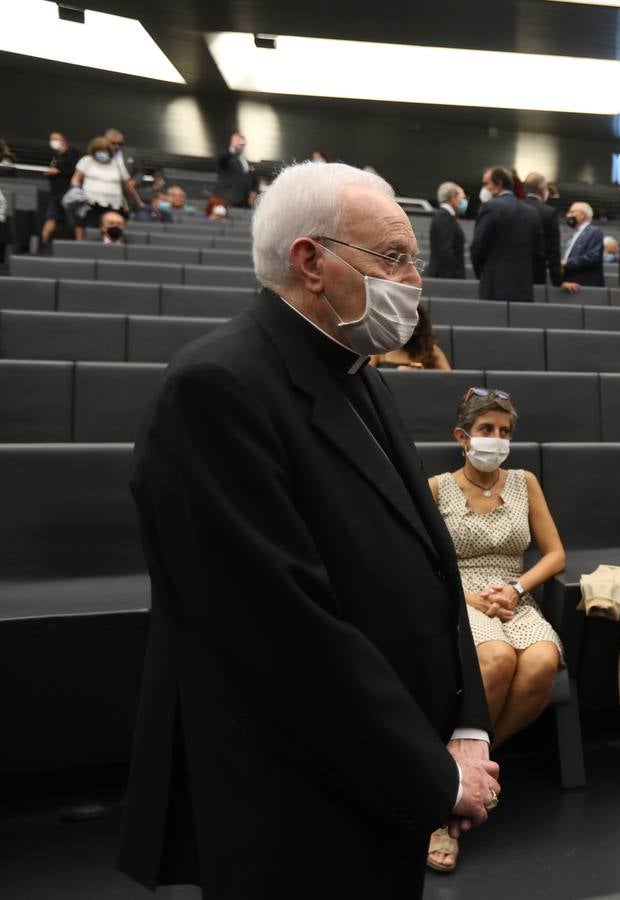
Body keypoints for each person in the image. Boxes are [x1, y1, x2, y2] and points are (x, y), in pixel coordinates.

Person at [118, 161, 500, 899]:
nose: (414, 280)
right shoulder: (216, 388)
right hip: (293, 800)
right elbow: (280, 631)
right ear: (311, 262)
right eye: (393, 257)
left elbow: (428, 558)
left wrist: (467, 721)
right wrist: (437, 774)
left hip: (380, 776)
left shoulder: (357, 368)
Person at [424, 388, 565, 870]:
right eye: (487, 430)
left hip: (513, 596)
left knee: (543, 661)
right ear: (462, 436)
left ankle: (460, 777)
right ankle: (449, 804)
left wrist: (516, 590)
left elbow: (554, 555)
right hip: (459, 597)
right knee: (500, 658)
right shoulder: (437, 487)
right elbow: (422, 561)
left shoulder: (525, 481)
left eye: (504, 432)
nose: (497, 440)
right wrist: (471, 597)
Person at [471, 166, 543, 303]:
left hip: (493, 285)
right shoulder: (532, 212)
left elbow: (478, 248)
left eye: (486, 184)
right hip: (524, 286)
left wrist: (483, 274)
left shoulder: (489, 207)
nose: (484, 188)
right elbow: (539, 254)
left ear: (498, 184)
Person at [70, 136, 142, 241]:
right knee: (87, 228)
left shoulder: (117, 164)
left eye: (105, 151)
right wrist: (77, 191)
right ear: (93, 151)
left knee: (109, 230)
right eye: (99, 151)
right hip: (90, 204)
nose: (102, 153)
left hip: (112, 206)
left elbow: (127, 186)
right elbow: (75, 179)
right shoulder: (86, 161)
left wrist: (139, 201)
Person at [371, 305, 451, 370]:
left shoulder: (431, 351)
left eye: (413, 327)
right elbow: (368, 379)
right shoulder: (380, 349)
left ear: (419, 329)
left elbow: (448, 380)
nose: (406, 330)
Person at [522, 172, 562, 288]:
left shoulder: (513, 208)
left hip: (511, 270)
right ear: (542, 190)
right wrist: (558, 281)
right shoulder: (549, 212)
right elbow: (553, 250)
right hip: (536, 272)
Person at [40, 131, 79, 249]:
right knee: (51, 217)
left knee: (75, 219)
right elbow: (50, 170)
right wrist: (51, 172)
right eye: (51, 139)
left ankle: (80, 244)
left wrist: (57, 171)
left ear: (63, 140)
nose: (53, 142)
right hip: (55, 193)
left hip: (69, 193)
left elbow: (73, 170)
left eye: (55, 139)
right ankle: (43, 241)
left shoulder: (72, 153)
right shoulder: (56, 156)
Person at [560, 202, 604, 292]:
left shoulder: (594, 232)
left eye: (572, 212)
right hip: (571, 282)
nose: (568, 215)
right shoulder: (574, 235)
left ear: (583, 215)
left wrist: (566, 263)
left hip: (585, 284)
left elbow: (592, 256)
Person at [429, 181, 468, 280]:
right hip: (446, 276)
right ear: (453, 197)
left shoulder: (445, 216)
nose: (464, 201)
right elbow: (446, 251)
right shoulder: (444, 217)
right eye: (462, 198)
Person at [214, 131, 257, 208]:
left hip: (244, 202)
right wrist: (232, 149)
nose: (241, 145)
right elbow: (221, 160)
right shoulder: (227, 156)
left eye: (243, 143)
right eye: (238, 142)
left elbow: (251, 178)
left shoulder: (245, 160)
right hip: (228, 200)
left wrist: (253, 191)